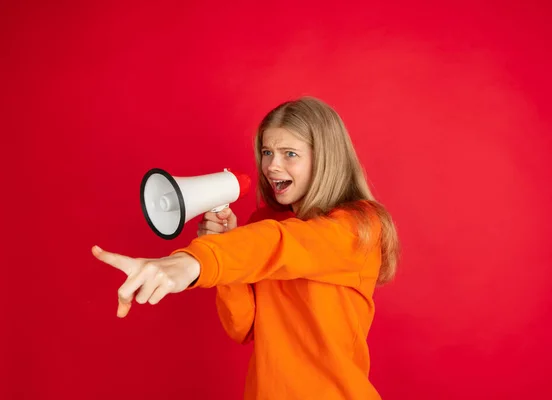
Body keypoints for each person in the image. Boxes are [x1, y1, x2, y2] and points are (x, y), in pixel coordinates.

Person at [92, 96, 400, 399]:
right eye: (267, 152)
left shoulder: (358, 228)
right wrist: (225, 244)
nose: (272, 166)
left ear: (325, 159)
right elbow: (243, 328)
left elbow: (281, 243)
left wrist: (192, 262)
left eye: (289, 153)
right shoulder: (263, 224)